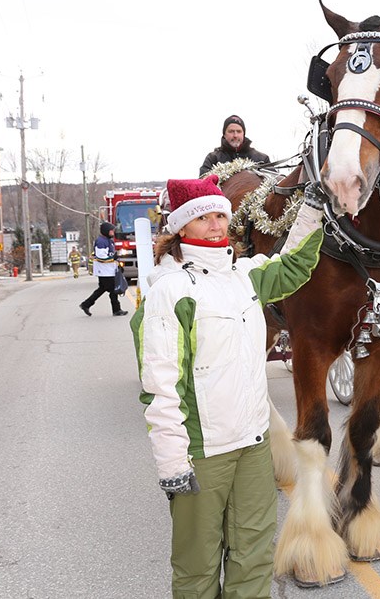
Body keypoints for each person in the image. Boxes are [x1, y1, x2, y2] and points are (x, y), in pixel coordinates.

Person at [132, 175, 325, 598]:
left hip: (253, 445)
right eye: (204, 218)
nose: (216, 225)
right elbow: (160, 386)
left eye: (221, 214)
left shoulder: (246, 276)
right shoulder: (170, 291)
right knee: (197, 569)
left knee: (253, 557)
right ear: (182, 228)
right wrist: (172, 463)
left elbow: (292, 263)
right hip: (203, 453)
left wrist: (313, 208)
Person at [79, 222, 127, 317]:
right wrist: (114, 257)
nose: (113, 232)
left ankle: (86, 304)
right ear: (106, 231)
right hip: (104, 271)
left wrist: (116, 261)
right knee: (112, 290)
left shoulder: (109, 241)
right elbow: (101, 257)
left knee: (103, 289)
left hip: (109, 270)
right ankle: (116, 310)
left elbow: (110, 254)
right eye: (111, 231)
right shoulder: (101, 241)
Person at [198, 114, 271, 176]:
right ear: (224, 134)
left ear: (243, 134)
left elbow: (275, 183)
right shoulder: (213, 159)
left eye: (239, 131)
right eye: (231, 131)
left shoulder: (262, 159)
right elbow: (203, 184)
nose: (235, 135)